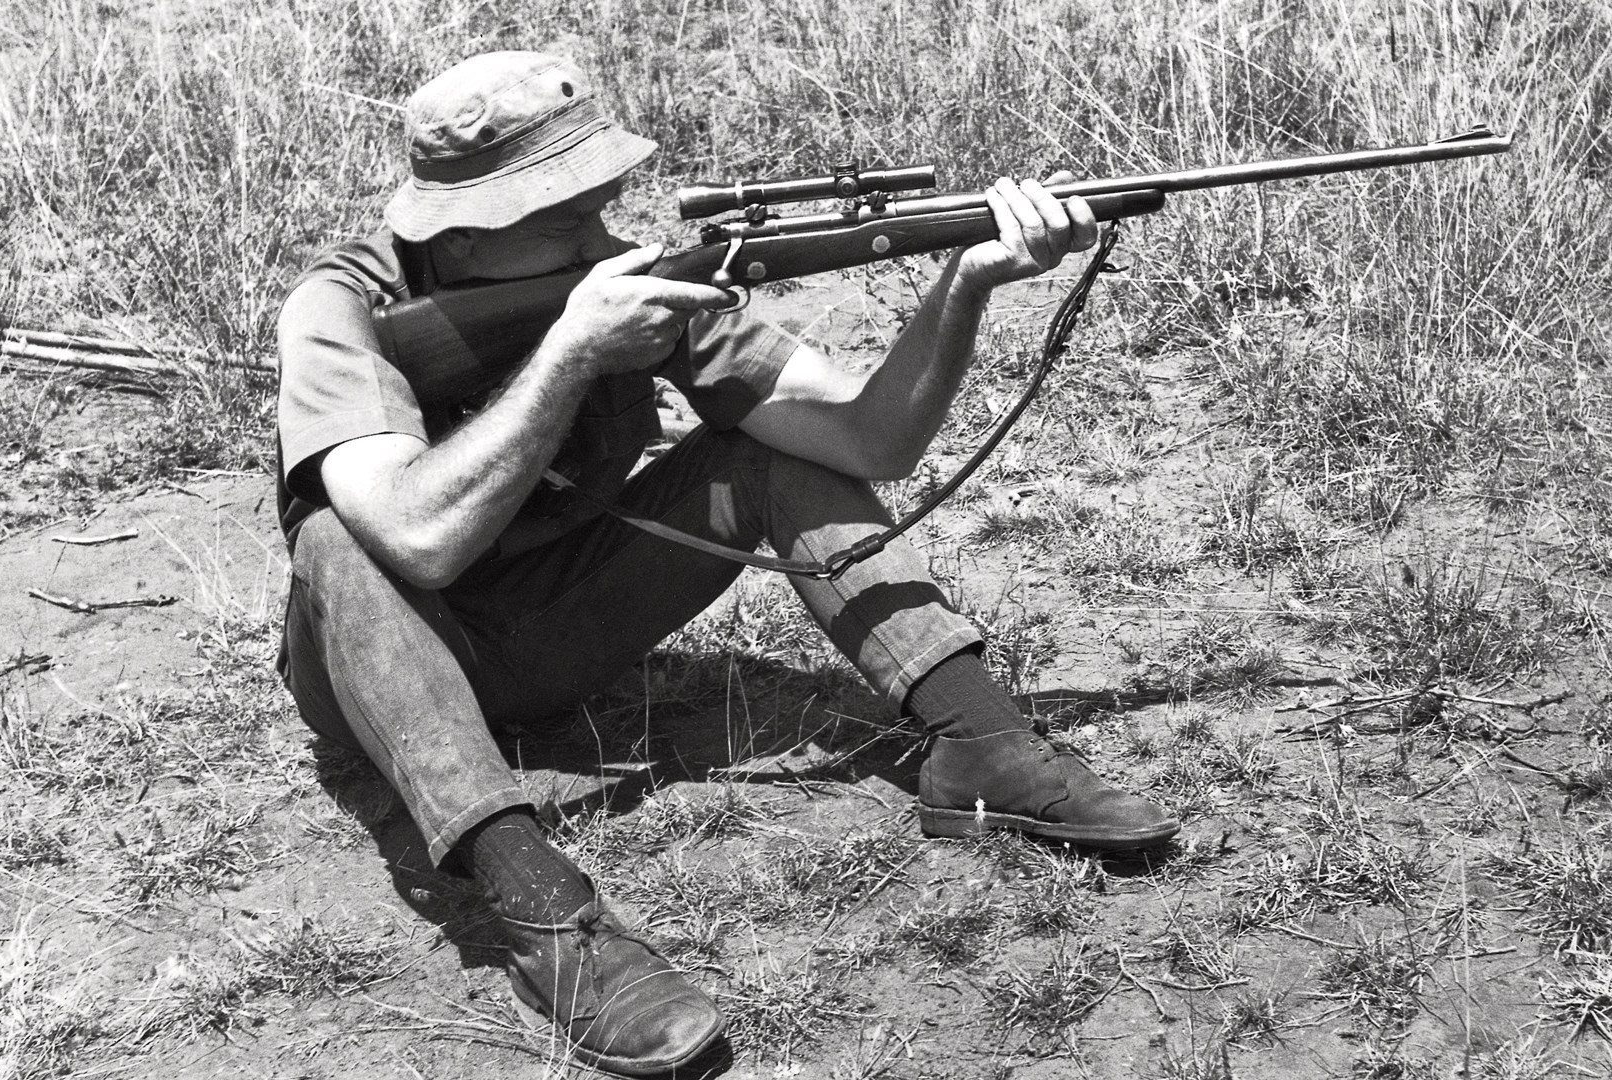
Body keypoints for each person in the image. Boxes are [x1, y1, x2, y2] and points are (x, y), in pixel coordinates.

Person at [274, 50, 1180, 1076]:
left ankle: (981, 743)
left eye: (600, 202)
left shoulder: (627, 282)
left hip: (557, 636)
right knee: (337, 534)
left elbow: (869, 441)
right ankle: (543, 912)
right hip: (382, 675)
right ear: (467, 237)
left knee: (759, 449)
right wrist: (572, 352)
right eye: (565, 219)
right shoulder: (342, 308)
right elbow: (417, 542)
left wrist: (965, 283)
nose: (603, 237)